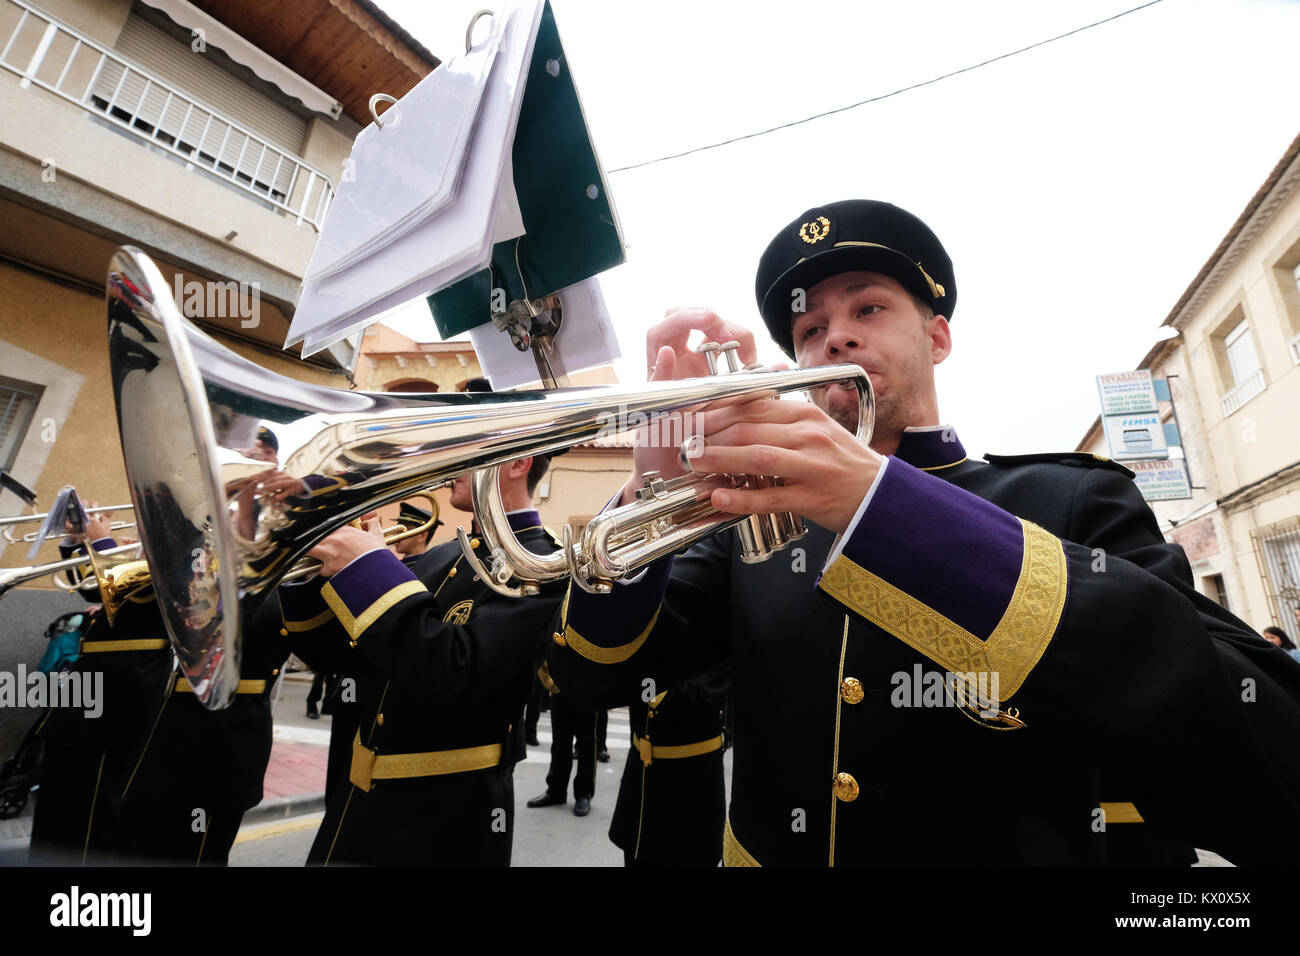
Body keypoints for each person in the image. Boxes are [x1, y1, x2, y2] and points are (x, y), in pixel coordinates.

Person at [548, 198, 1300, 865]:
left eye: (867, 310)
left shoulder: (1070, 499)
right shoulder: (756, 529)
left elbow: (1266, 753)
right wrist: (647, 484)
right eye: (810, 329)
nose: (834, 338)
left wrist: (882, 504)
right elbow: (594, 676)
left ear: (937, 337)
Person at [276, 451, 564, 866]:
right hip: (357, 799)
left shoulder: (542, 565)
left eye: (471, 450)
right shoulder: (442, 555)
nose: (451, 464)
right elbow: (334, 654)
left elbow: (456, 672)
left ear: (519, 464)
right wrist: (314, 565)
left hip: (445, 818)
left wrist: (370, 569)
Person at [610, 663, 730, 867]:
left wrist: (640, 670)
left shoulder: (717, 637)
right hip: (640, 787)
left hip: (690, 792)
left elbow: (698, 697)